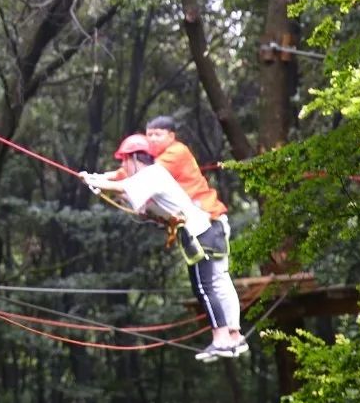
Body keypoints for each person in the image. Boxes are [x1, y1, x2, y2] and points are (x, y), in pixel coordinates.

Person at [82, 134, 247, 362]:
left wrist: (94, 181)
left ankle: (221, 339)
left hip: (199, 234)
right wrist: (99, 183)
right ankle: (233, 338)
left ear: (134, 159)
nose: (122, 166)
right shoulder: (149, 179)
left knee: (205, 288)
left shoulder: (152, 174)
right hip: (204, 232)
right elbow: (132, 200)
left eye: (123, 161)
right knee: (213, 286)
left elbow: (122, 187)